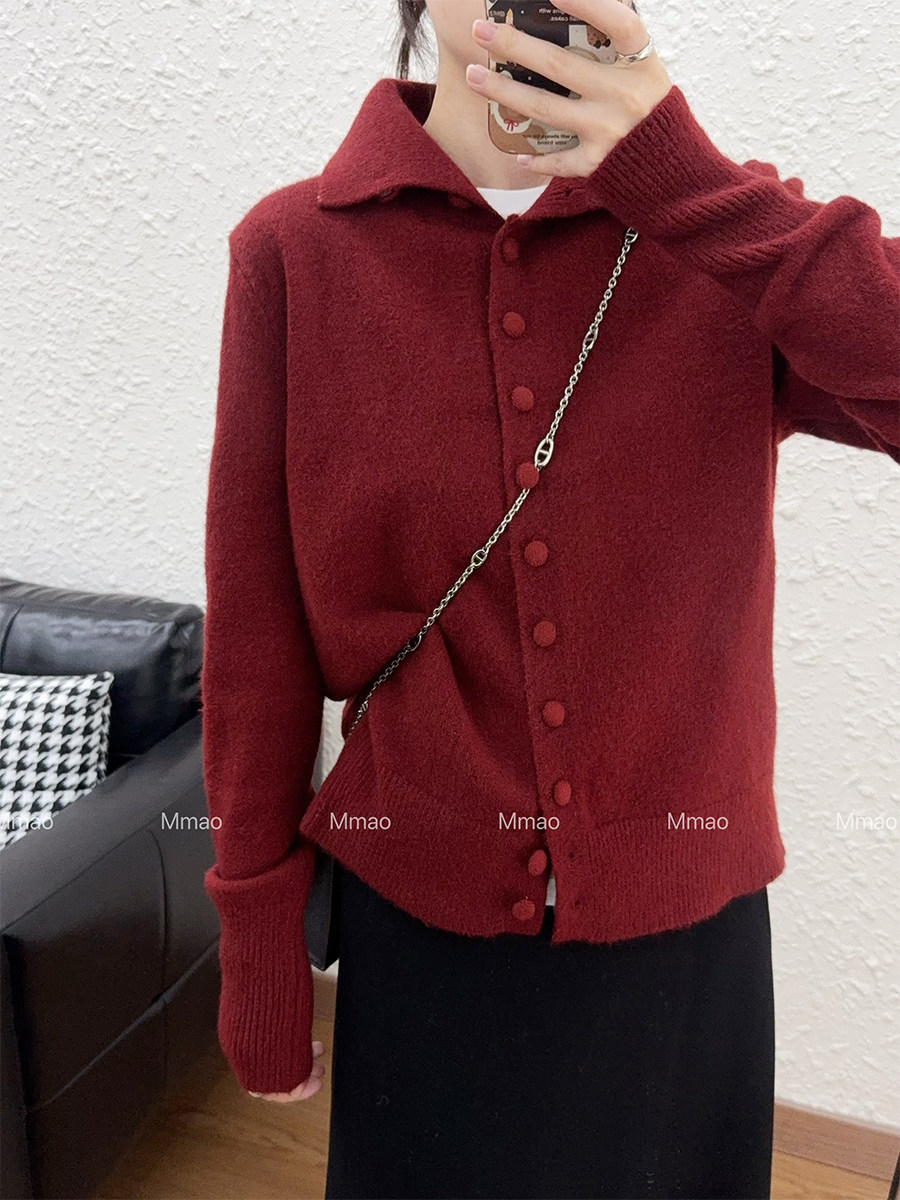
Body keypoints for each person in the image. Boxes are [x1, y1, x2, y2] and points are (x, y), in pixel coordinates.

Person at [199, 1, 900, 1198]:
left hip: (682, 928)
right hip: (420, 923)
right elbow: (255, 637)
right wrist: (257, 946)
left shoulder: (724, 236)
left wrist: (680, 178)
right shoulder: (295, 253)